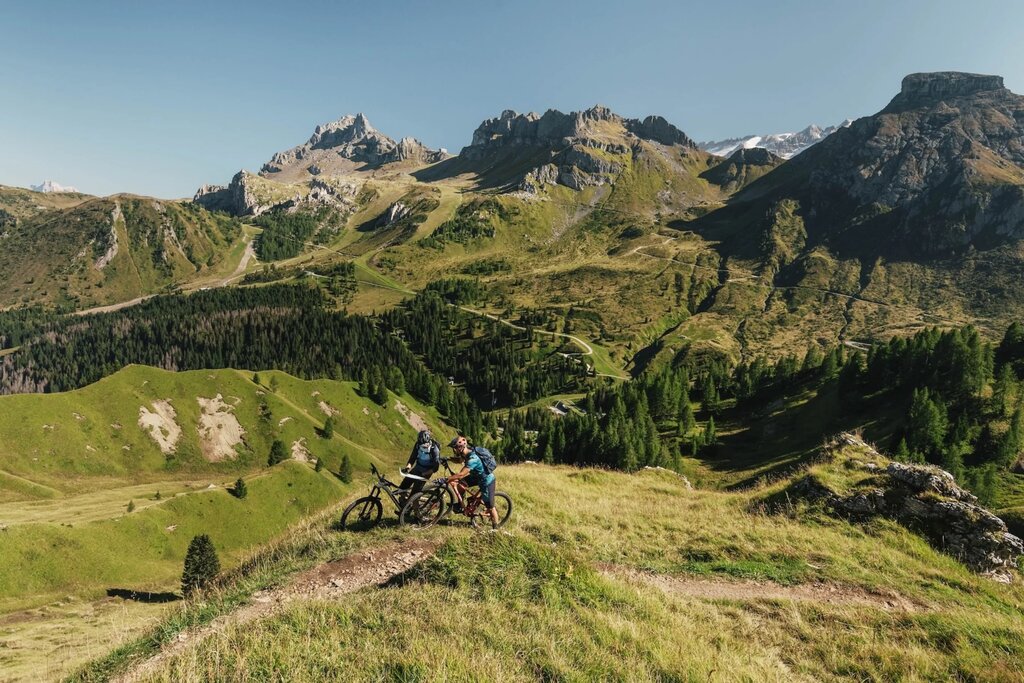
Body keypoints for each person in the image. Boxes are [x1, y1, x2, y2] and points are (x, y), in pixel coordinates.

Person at [445, 435, 500, 530]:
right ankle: (460, 505)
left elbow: (461, 474)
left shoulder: (473, 459)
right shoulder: (466, 453)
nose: (454, 450)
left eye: (455, 448)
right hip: (476, 477)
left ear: (460, 447)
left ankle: (496, 529)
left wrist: (446, 479)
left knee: (490, 507)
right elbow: (459, 460)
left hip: (486, 480)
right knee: (460, 483)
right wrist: (447, 458)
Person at [399, 430, 440, 496]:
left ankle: (415, 501)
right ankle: (404, 499)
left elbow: (435, 468)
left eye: (424, 446)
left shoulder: (434, 450)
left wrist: (424, 474)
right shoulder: (418, 445)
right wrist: (408, 467)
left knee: (415, 493)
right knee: (403, 487)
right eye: (422, 446)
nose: (423, 447)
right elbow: (412, 458)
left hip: (427, 471)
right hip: (418, 467)